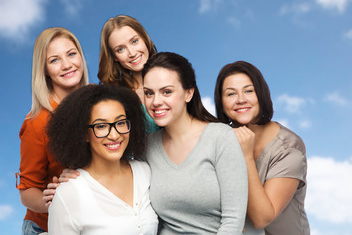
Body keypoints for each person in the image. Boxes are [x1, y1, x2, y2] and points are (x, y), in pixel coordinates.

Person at [142, 52, 248, 234]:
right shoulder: (147, 147)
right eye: (149, 93)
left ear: (188, 93)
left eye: (167, 92)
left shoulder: (220, 137)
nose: (156, 101)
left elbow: (233, 221)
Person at [46, 84, 158, 234]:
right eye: (101, 126)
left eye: (120, 123)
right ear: (84, 134)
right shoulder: (68, 194)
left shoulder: (145, 172)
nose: (114, 135)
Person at [214, 61, 310, 235]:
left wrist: (246, 157)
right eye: (230, 94)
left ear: (261, 94)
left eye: (249, 91)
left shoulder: (289, 148)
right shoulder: (221, 140)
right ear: (221, 102)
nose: (241, 99)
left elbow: (261, 218)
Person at [15, 27, 89, 234]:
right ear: (45, 69)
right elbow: (27, 193)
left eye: (71, 54)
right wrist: (56, 200)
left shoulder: (98, 106)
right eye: (54, 60)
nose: (67, 65)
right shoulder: (37, 122)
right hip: (45, 227)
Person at [98, 14, 159, 133]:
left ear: (144, 39)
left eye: (135, 41)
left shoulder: (174, 76)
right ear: (114, 57)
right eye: (120, 49)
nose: (132, 53)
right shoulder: (114, 97)